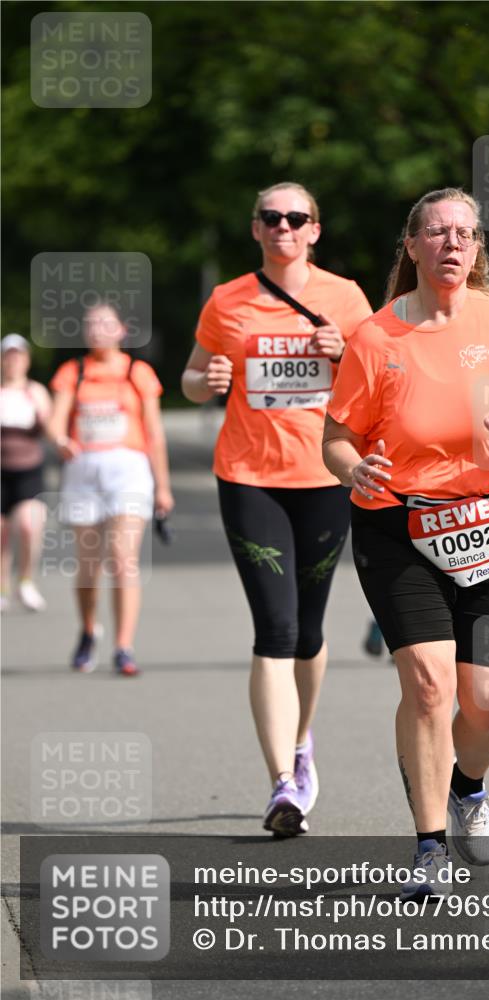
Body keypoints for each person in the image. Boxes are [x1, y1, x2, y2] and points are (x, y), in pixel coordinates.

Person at [323, 187, 489, 897]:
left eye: (465, 233)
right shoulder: (376, 338)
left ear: (478, 248)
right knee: (428, 687)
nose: (452, 244)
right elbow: (336, 437)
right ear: (412, 245)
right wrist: (352, 466)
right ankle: (428, 846)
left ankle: (468, 790)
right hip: (398, 525)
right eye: (436, 232)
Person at [182, 181, 372, 837]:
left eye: (296, 218)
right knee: (275, 629)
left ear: (314, 229)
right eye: (271, 217)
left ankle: (299, 741)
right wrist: (202, 383)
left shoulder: (345, 298)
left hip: (324, 475)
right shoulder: (227, 300)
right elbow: (191, 374)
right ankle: (282, 785)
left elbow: (377, 383)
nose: (284, 226)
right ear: (256, 228)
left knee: (310, 633)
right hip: (248, 476)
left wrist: (343, 353)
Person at [48, 303, 174, 676]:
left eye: (105, 323)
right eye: (90, 325)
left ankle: (123, 645)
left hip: (128, 470)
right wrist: (59, 440)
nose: (97, 330)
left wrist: (163, 487)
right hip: (84, 469)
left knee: (123, 558)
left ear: (122, 329)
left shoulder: (139, 373)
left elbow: (155, 433)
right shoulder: (74, 372)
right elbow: (56, 422)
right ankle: (88, 631)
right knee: (88, 567)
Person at [1, 333, 51, 612]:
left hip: (28, 470)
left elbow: (50, 428)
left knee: (29, 525)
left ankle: (26, 580)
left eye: (18, 356)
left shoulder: (35, 392)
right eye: (8, 356)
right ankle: (2, 586)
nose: (13, 362)